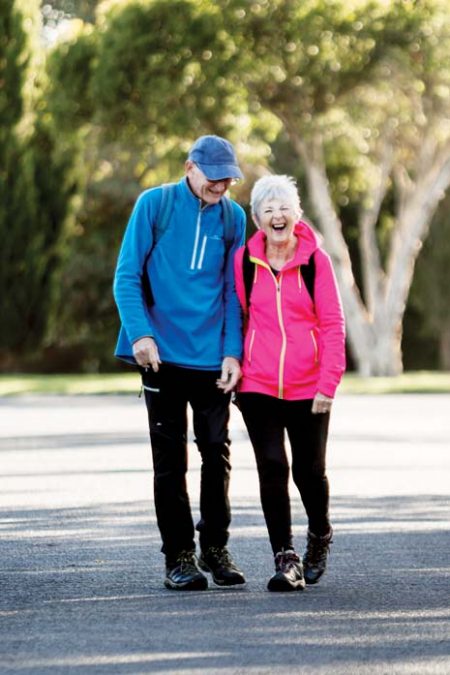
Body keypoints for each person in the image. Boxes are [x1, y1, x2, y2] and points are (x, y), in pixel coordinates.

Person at [113, 135, 247, 591]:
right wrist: (140, 334)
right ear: (190, 167)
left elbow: (233, 290)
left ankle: (215, 547)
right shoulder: (155, 205)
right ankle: (179, 556)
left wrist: (232, 351)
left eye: (228, 179)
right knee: (169, 460)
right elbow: (127, 275)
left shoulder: (233, 217)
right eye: (214, 177)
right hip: (161, 356)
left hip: (211, 358)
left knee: (216, 453)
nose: (221, 186)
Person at [231, 174, 346, 592]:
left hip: (308, 385)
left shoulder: (316, 262)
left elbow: (332, 324)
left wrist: (328, 383)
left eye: (284, 208)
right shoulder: (245, 261)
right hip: (257, 383)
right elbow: (238, 316)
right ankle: (285, 557)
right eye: (268, 209)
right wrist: (234, 362)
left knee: (309, 472)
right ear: (257, 218)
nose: (277, 216)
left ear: (296, 214)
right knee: (272, 466)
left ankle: (319, 534)